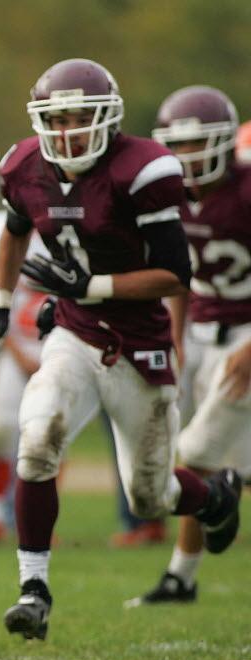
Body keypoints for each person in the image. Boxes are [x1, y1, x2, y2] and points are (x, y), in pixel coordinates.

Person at [0, 59, 243, 640]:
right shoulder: (25, 163)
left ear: (108, 120)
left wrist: (93, 286)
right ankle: (34, 588)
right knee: (37, 439)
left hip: (139, 342)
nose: (69, 132)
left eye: (81, 119)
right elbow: (13, 229)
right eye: (59, 120)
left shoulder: (145, 168)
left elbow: (176, 275)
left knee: (151, 497)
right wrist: (1, 302)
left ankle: (214, 497)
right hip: (74, 333)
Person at [129, 85, 250, 605]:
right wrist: (173, 337)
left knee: (196, 454)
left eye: (201, 144)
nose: (190, 157)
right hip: (201, 331)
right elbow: (177, 277)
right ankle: (182, 577)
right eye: (180, 146)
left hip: (244, 333)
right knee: (216, 461)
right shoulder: (168, 194)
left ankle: (182, 573)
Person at [0, 210, 48, 548]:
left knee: (49, 434)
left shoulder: (74, 225)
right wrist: (16, 350)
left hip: (57, 347)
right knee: (2, 428)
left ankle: (41, 522)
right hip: (14, 348)